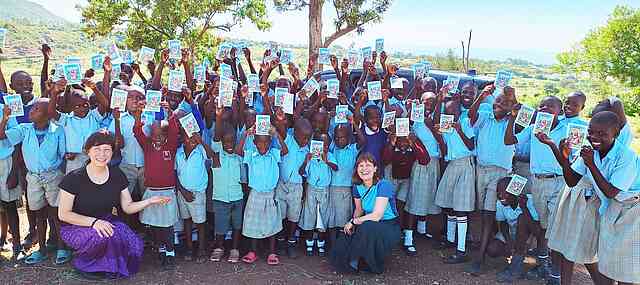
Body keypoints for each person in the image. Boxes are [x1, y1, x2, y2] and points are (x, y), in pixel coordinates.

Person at [541, 111, 640, 285]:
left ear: (616, 134)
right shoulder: (591, 151)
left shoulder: (626, 157)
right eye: (591, 131)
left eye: (602, 134)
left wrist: (591, 164)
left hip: (632, 208)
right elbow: (572, 181)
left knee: (624, 267)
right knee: (608, 260)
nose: (594, 137)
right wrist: (565, 159)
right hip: (612, 206)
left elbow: (611, 192)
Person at [58, 131, 171, 280]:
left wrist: (150, 201)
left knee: (134, 244)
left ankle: (107, 264)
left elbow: (127, 207)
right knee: (101, 237)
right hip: (76, 226)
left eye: (107, 150)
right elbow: (64, 214)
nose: (102, 154)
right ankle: (85, 264)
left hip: (106, 221)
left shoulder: (117, 175)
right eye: (97, 149)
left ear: (112, 152)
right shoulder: (73, 178)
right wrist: (94, 223)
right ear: (87, 151)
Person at [505, 95, 567, 284]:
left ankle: (554, 274)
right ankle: (543, 263)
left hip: (558, 181)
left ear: (560, 112)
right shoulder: (532, 129)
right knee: (543, 225)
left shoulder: (566, 129)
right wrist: (512, 118)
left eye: (550, 107)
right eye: (541, 106)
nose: (545, 109)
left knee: (555, 229)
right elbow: (509, 141)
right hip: (537, 182)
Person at [0, 99, 69, 265]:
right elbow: (2, 135)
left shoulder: (58, 130)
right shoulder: (25, 129)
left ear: (47, 115)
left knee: (56, 213)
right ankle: (42, 249)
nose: (31, 111)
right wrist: (5, 118)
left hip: (53, 176)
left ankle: (61, 246)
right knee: (38, 213)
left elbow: (62, 154)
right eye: (32, 108)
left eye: (37, 109)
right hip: (33, 177)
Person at [467, 85, 517, 273]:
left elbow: (510, 139)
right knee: (483, 212)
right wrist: (482, 95)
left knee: (488, 214)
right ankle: (488, 244)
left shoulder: (510, 122)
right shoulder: (486, 117)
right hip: (481, 169)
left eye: (504, 103)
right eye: (497, 101)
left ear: (511, 107)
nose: (499, 105)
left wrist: (512, 115)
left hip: (499, 173)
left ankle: (480, 258)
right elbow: (472, 116)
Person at [329, 152, 400, 274]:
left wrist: (354, 221)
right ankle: (351, 261)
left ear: (375, 168)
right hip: (368, 222)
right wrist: (352, 224)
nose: (364, 169)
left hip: (388, 226)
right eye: (360, 166)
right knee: (347, 232)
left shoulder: (383, 185)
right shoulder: (357, 186)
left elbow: (377, 215)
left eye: (368, 165)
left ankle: (365, 262)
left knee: (367, 226)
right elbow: (359, 210)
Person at [132, 101, 180, 270]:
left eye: (161, 135)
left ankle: (170, 252)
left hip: (166, 192)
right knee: (155, 225)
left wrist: (169, 112)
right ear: (151, 134)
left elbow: (174, 130)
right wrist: (138, 113)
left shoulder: (171, 145)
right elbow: (137, 131)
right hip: (151, 192)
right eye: (154, 134)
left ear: (166, 136)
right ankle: (160, 248)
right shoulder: (147, 146)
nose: (157, 137)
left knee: (167, 225)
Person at [236, 124, 288, 265]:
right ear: (254, 142)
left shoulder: (273, 154)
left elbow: (285, 150)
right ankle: (253, 252)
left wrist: (276, 133)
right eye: (259, 141)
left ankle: (272, 252)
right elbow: (238, 150)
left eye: (266, 142)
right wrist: (246, 133)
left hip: (271, 194)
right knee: (254, 224)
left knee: (272, 223)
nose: (262, 145)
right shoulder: (252, 155)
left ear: (270, 143)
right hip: (256, 194)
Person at [434, 92, 476, 264]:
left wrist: (459, 130)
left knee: (460, 207)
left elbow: (471, 145)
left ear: (459, 112)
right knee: (449, 204)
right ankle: (451, 240)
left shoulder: (465, 122)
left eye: (454, 111)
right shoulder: (445, 127)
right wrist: (439, 133)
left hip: (465, 164)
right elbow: (444, 144)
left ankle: (461, 249)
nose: (451, 115)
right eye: (448, 112)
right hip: (452, 164)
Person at [382, 132, 427, 255]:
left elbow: (425, 160)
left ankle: (404, 235)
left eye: (406, 141)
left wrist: (414, 143)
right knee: (388, 206)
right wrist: (391, 143)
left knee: (402, 207)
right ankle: (388, 234)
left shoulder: (412, 145)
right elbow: (384, 160)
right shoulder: (391, 145)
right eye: (400, 141)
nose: (403, 144)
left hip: (406, 178)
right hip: (392, 177)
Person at [299, 133, 337, 256]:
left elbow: (336, 168)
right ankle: (309, 243)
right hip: (311, 189)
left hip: (324, 190)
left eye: (326, 145)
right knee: (310, 215)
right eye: (321, 145)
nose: (323, 148)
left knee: (323, 216)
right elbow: (301, 172)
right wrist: (306, 161)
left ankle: (321, 243)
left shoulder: (330, 156)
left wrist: (327, 161)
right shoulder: (310, 157)